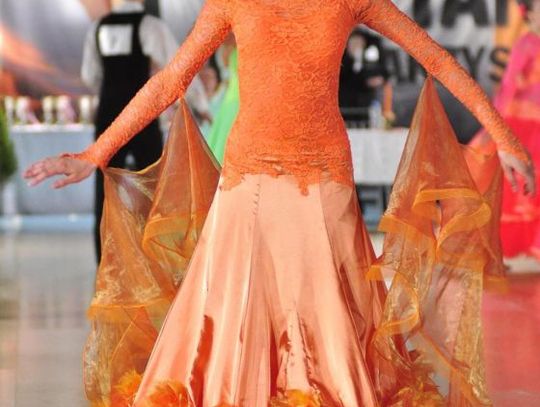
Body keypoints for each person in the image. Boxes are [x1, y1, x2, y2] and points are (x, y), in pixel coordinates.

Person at [25, 0, 535, 405]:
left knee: (329, 323)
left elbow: (437, 58)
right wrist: (96, 153)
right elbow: (170, 81)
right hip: (248, 181)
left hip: (324, 180)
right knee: (235, 317)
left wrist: (504, 137)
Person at [81, 0, 210, 261]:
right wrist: (201, 104)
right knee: (152, 187)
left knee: (104, 191)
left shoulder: (97, 28)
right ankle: (154, 260)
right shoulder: (150, 26)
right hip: (142, 115)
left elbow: (89, 76)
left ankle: (105, 260)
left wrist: (112, 89)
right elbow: (177, 69)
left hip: (108, 114)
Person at [469, 0, 540, 261]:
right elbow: (508, 85)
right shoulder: (527, 43)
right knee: (518, 187)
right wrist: (494, 125)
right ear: (530, 13)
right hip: (525, 128)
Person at [339, 29, 389, 127]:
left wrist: (379, 79)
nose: (357, 45)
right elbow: (341, 77)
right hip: (345, 105)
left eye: (359, 42)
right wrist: (351, 57)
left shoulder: (370, 55)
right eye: (354, 43)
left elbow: (383, 72)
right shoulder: (342, 58)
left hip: (365, 104)